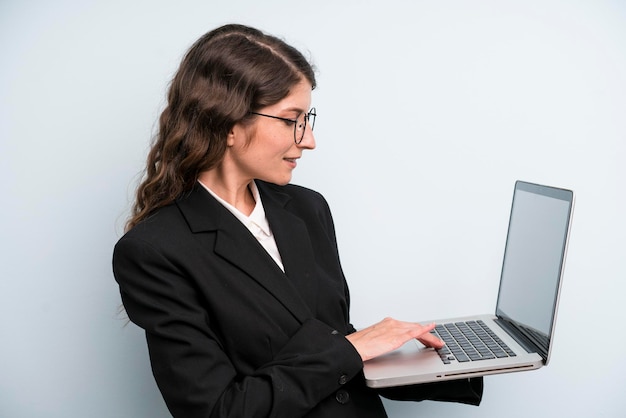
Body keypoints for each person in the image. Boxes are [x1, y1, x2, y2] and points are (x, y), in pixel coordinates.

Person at [113, 23, 483, 418]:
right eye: (291, 120)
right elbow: (220, 410)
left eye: (308, 118)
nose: (308, 140)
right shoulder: (155, 252)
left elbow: (336, 356)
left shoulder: (307, 209)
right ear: (229, 125)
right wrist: (352, 347)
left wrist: (459, 361)